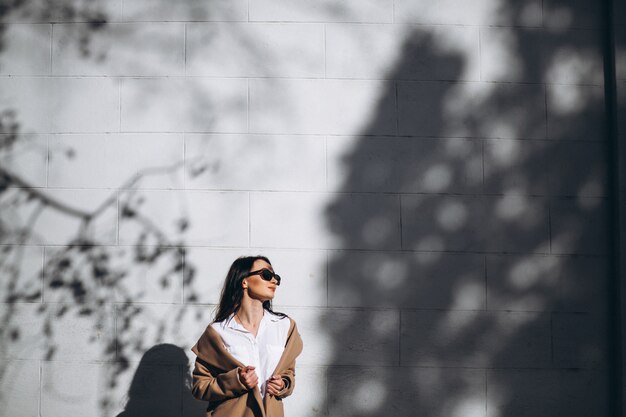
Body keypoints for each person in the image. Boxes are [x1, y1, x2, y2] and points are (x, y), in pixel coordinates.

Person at [190, 255, 303, 417]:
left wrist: (283, 385)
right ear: (244, 281)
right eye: (266, 275)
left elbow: (289, 374)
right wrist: (235, 381)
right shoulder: (218, 332)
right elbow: (199, 387)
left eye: (276, 278)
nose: (274, 281)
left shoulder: (285, 326)